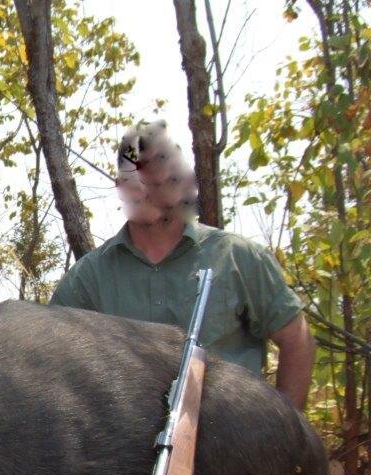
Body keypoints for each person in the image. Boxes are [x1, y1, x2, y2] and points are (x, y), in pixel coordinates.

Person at [49, 120, 314, 411]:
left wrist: (284, 439)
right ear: (121, 187)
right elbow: (52, 369)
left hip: (236, 446)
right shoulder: (86, 280)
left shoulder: (238, 257)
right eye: (136, 172)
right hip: (127, 451)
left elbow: (296, 342)